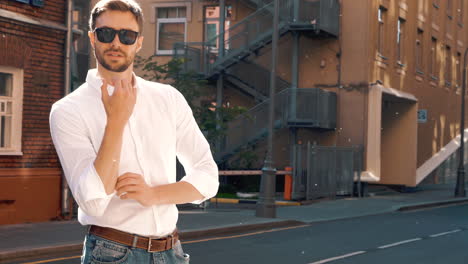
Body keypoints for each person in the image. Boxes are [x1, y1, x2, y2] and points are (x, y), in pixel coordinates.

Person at [49, 0, 219, 263]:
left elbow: (208, 177)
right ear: (93, 38)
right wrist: (116, 120)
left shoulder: (168, 98)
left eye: (127, 35)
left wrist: (154, 195)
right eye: (106, 34)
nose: (116, 43)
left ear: (138, 42)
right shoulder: (68, 110)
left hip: (172, 252)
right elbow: (92, 202)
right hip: (112, 253)